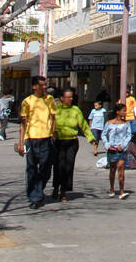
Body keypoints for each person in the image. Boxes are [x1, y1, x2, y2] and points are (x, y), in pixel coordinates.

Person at [18, 75, 57, 210]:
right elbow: (23, 124)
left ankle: (37, 190)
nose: (44, 87)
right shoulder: (27, 102)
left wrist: (53, 133)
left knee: (46, 168)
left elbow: (53, 117)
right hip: (31, 138)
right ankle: (35, 196)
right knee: (32, 168)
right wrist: (20, 142)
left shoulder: (49, 100)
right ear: (34, 86)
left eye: (45, 84)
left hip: (46, 138)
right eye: (41, 85)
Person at [52, 88, 96, 203]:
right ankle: (56, 187)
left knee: (68, 166)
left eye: (72, 97)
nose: (70, 99)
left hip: (72, 142)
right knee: (59, 166)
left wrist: (90, 137)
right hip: (59, 142)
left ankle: (64, 191)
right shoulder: (56, 110)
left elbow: (83, 124)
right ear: (61, 98)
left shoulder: (75, 110)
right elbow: (49, 123)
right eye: (68, 97)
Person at [103, 102, 132, 199]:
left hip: (121, 150)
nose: (125, 113)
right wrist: (107, 145)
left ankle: (121, 191)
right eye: (124, 111)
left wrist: (123, 146)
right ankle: (111, 189)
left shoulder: (126, 124)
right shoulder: (109, 123)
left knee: (121, 168)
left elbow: (129, 136)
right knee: (112, 170)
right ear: (118, 112)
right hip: (112, 150)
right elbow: (103, 135)